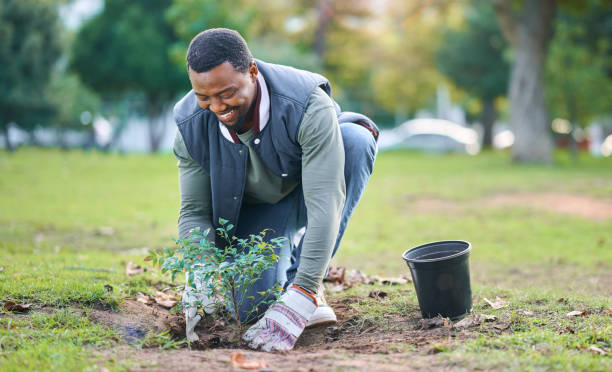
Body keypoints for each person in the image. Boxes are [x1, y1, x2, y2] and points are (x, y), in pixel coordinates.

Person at [173, 28, 378, 351]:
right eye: (203, 97)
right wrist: (200, 270)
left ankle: (304, 282)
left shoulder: (307, 103)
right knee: (253, 307)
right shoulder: (189, 126)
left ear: (252, 72)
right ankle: (278, 277)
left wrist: (304, 291)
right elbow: (194, 212)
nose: (216, 107)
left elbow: (326, 201)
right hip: (256, 210)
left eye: (226, 93)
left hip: (309, 189)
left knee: (355, 141)